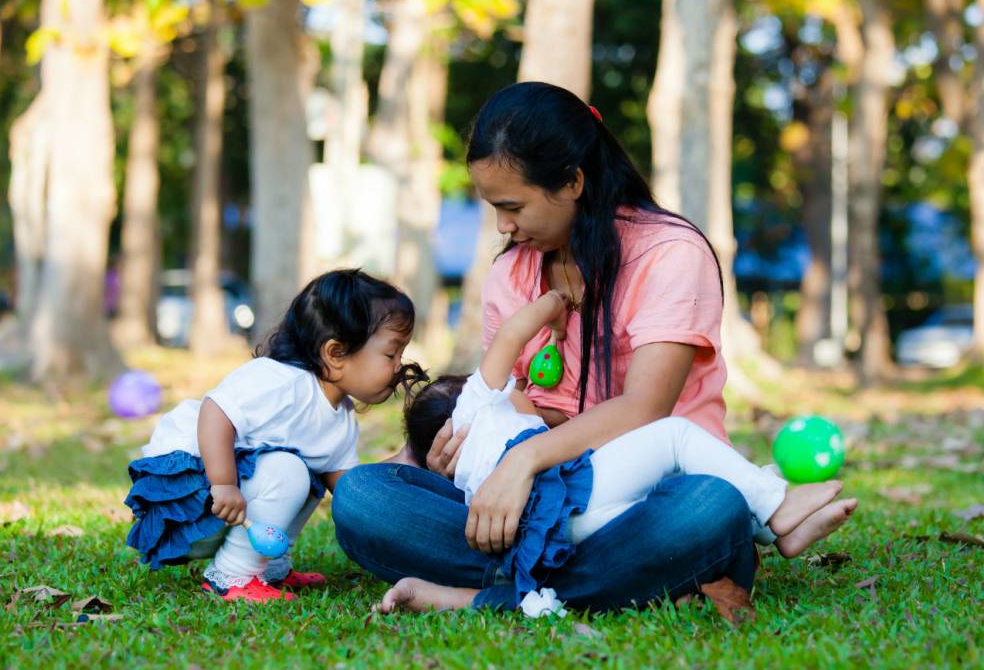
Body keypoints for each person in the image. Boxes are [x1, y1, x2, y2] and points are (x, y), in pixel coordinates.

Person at [331, 81, 855, 614]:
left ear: (574, 181)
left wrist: (524, 460)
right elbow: (505, 405)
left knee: (709, 506)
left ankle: (485, 595)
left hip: (648, 504)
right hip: (541, 509)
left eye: (513, 207)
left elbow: (646, 409)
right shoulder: (512, 275)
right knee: (365, 498)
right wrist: (443, 458)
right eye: (492, 207)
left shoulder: (668, 254)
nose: (502, 226)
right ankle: (597, 584)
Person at [394, 288, 856, 610]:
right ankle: (777, 509)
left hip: (558, 539)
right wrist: (556, 305)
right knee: (676, 438)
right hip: (571, 489)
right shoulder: (478, 401)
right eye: (515, 387)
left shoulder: (465, 479)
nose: (524, 388)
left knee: (656, 504)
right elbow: (512, 335)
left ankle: (765, 527)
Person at [124, 269, 420, 602]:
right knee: (289, 470)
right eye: (391, 354)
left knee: (310, 476)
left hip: (231, 491)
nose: (399, 367)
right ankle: (232, 576)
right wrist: (223, 483)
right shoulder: (282, 381)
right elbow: (215, 411)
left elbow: (348, 487)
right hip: (188, 488)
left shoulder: (342, 417)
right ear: (335, 354)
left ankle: (269, 567)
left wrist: (407, 466)